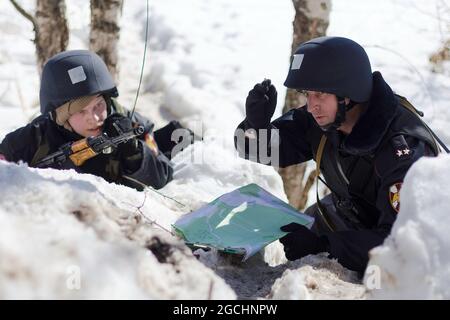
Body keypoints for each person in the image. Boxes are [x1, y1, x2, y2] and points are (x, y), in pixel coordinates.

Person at [235, 36, 445, 274]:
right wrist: (255, 125)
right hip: (347, 218)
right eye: (308, 93)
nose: (311, 105)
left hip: (404, 251)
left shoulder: (403, 151)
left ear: (348, 95)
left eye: (320, 94)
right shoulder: (325, 119)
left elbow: (402, 243)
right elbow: (261, 149)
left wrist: (325, 247)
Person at [0, 50, 186, 191]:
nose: (94, 118)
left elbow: (163, 178)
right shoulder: (31, 140)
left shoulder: (132, 124)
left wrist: (136, 154)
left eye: (98, 105)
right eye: (81, 111)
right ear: (63, 118)